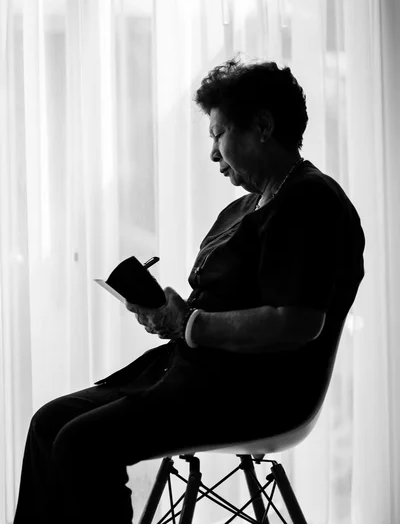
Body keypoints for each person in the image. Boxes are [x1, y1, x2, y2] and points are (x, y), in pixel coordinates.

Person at [13, 57, 365, 524]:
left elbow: (296, 322)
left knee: (82, 442)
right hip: (192, 375)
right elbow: (212, 311)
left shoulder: (310, 200)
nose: (214, 155)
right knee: (48, 423)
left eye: (218, 135)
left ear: (262, 125)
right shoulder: (242, 208)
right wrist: (169, 317)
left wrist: (189, 324)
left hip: (255, 393)